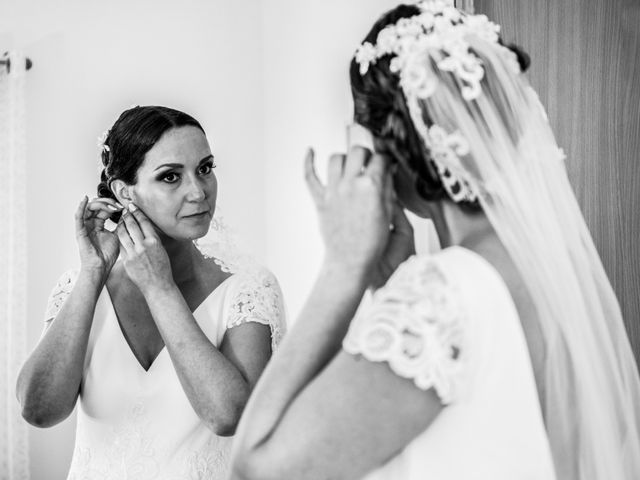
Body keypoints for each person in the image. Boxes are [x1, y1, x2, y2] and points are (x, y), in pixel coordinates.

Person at [229, 1, 640, 479]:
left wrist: (343, 268)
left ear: (385, 150)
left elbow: (254, 468)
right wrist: (389, 286)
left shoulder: (444, 293)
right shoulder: (555, 268)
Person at [16, 105, 285, 479]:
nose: (198, 192)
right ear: (125, 193)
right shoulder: (80, 288)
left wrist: (161, 288)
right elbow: (39, 410)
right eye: (171, 176)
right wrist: (93, 274)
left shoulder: (249, 289)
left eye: (205, 169)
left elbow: (228, 417)